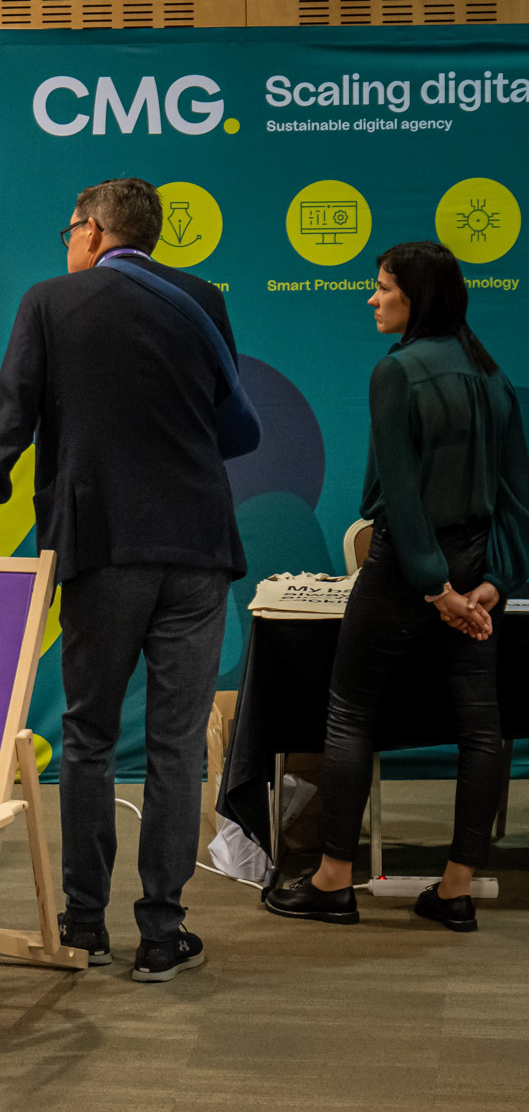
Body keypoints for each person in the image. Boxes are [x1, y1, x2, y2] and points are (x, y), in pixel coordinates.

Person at [0, 177, 257, 982]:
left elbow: (7, 425)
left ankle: (85, 923)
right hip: (200, 548)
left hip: (103, 548)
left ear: (92, 231)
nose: (67, 244)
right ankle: (162, 932)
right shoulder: (203, 300)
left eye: (70, 231)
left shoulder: (50, 304)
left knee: (89, 737)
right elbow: (238, 429)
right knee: (175, 746)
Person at [264, 241, 529, 932]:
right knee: (482, 729)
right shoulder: (493, 375)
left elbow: (403, 501)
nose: (372, 298)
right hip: (473, 569)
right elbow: (517, 501)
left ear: (417, 298)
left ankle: (333, 881)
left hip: (404, 572)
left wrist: (437, 589)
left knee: (351, 714)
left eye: (382, 287)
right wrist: (489, 586)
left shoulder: (397, 372)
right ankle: (457, 890)